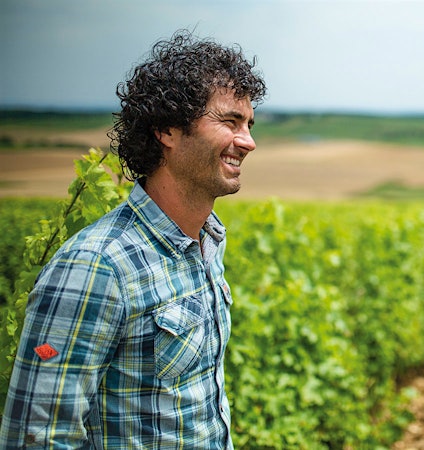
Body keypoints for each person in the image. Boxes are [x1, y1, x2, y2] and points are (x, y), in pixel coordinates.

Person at [0, 29, 266, 448]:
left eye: (249, 124)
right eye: (229, 121)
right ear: (167, 130)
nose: (248, 141)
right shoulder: (96, 266)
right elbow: (38, 438)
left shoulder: (206, 244)